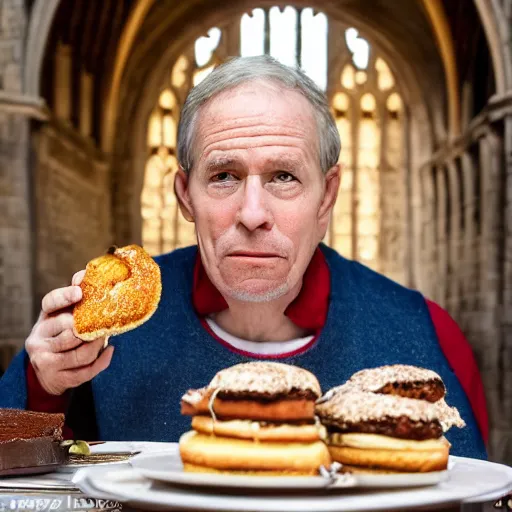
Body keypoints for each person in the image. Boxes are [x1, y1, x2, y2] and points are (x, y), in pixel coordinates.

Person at [0, 56, 487, 458]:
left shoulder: (426, 335)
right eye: (224, 176)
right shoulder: (103, 338)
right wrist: (45, 384)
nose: (253, 213)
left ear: (327, 195)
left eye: (283, 177)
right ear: (185, 196)